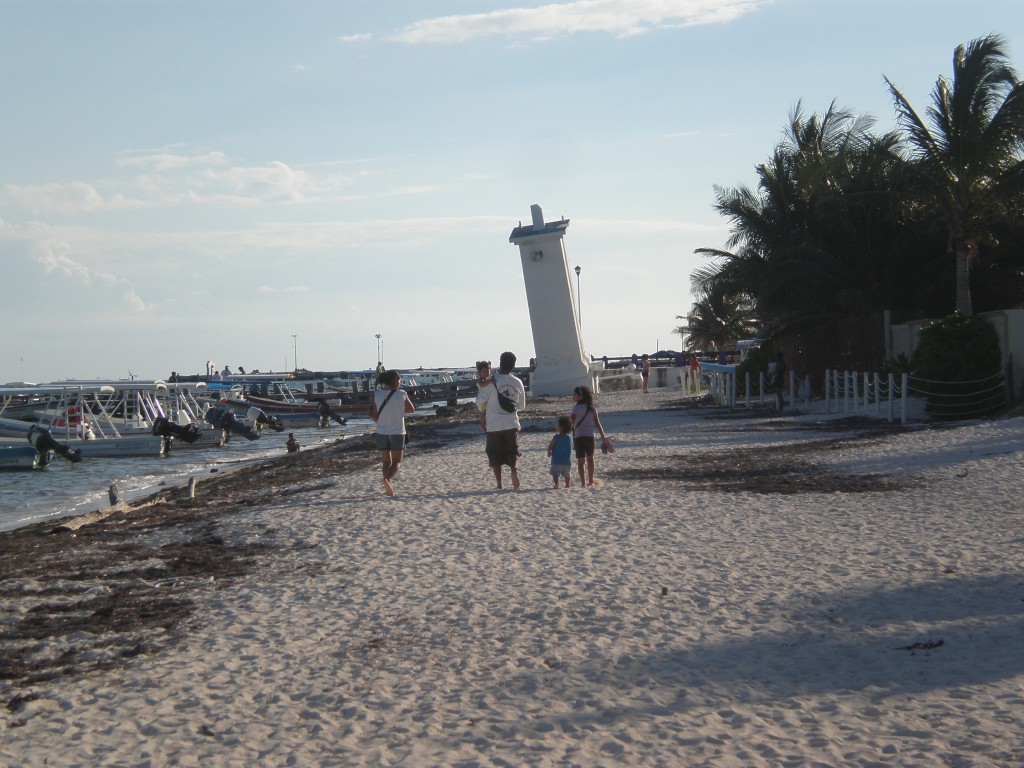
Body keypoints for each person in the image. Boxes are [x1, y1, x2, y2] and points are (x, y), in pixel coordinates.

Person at [477, 351, 526, 490]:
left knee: (495, 454)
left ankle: (499, 484)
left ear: (500, 363)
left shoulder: (491, 381)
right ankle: (513, 472)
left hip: (493, 423)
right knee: (512, 450)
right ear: (513, 366)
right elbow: (521, 406)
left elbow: (480, 401)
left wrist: (482, 414)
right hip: (511, 422)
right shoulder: (517, 382)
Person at [370, 369, 415, 496]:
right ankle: (387, 480)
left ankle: (387, 487)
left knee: (386, 462)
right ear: (394, 381)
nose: (400, 381)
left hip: (381, 432)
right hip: (397, 432)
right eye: (399, 379)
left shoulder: (376, 394)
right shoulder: (402, 394)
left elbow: (373, 412)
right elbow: (411, 409)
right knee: (397, 462)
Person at [571, 385, 608, 487]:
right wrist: (603, 437)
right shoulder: (591, 408)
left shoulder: (576, 408)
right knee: (590, 459)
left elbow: (571, 422)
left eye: (574, 394)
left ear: (580, 396)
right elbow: (598, 424)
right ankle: (591, 481)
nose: (573, 396)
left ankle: (583, 483)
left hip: (579, 437)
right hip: (590, 437)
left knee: (580, 461)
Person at [547, 416, 574, 489]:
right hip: (567, 461)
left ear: (561, 428)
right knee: (567, 474)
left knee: (555, 474)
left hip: (557, 461)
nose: (556, 426)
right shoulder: (570, 437)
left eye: (557, 425)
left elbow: (551, 446)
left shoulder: (556, 437)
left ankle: (556, 484)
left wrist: (549, 451)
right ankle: (567, 484)